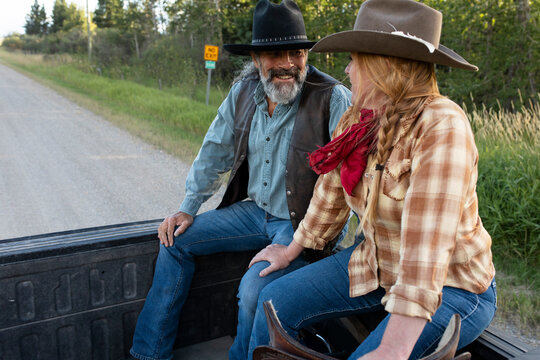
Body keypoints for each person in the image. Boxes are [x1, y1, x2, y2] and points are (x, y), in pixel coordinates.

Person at [247, 0, 497, 359]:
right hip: (376, 265)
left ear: (383, 65)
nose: (347, 70)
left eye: (353, 60)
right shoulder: (357, 121)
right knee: (273, 297)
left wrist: (393, 349)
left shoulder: (442, 125)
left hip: (451, 286)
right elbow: (329, 194)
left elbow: (427, 249)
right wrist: (290, 250)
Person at [129, 1, 352, 359]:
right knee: (175, 240)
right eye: (275, 54)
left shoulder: (333, 98)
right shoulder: (244, 90)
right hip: (252, 213)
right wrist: (188, 208)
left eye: (296, 52)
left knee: (253, 289)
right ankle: (148, 354)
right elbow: (214, 150)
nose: (288, 65)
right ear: (256, 58)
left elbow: (347, 188)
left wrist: (310, 241)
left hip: (300, 228)